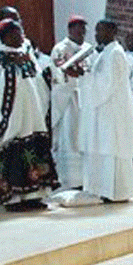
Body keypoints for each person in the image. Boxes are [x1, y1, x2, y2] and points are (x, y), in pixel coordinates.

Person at [0, 19, 59, 211]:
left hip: (32, 117)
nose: (22, 37)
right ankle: (14, 199)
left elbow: (38, 83)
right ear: (6, 36)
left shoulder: (26, 56)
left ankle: (35, 195)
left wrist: (50, 73)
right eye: (17, 34)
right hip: (12, 121)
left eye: (22, 33)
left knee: (34, 150)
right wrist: (10, 67)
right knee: (16, 153)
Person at [79, 19, 133, 202]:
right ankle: (103, 189)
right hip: (103, 110)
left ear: (112, 32)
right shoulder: (104, 53)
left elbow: (106, 84)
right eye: (96, 31)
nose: (96, 35)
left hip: (112, 111)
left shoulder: (115, 53)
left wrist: (85, 76)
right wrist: (85, 74)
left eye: (100, 31)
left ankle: (116, 191)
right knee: (103, 148)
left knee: (112, 149)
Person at [50, 15, 91, 189]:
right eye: (79, 28)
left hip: (86, 99)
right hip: (68, 100)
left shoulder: (88, 49)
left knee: (86, 138)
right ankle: (70, 180)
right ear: (70, 30)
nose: (82, 32)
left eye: (84, 29)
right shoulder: (61, 48)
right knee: (70, 137)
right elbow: (57, 72)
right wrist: (69, 73)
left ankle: (86, 178)